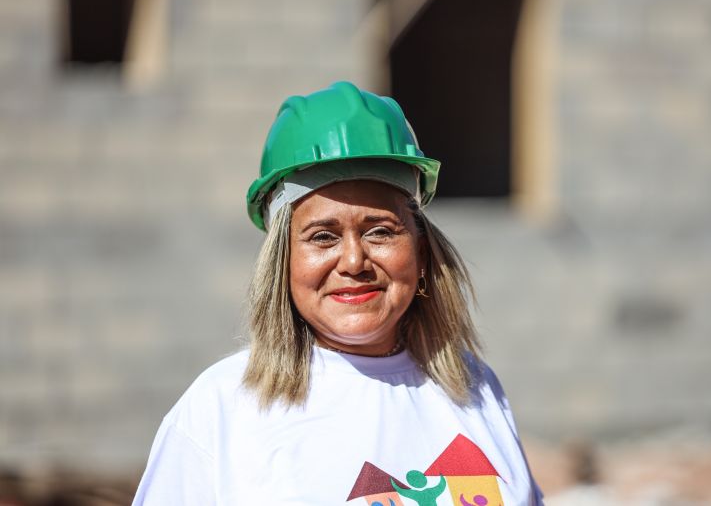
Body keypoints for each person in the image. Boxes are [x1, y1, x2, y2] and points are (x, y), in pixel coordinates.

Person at [132, 81, 544, 505]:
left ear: (420, 251)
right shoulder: (222, 409)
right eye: (323, 236)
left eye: (381, 231)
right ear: (282, 263)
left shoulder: (474, 387)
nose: (353, 262)